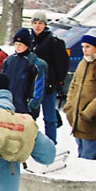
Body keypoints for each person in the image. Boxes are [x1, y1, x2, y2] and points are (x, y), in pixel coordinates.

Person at [62, 32, 96, 161]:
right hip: (77, 119)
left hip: (92, 122)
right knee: (80, 157)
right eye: (83, 47)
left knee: (89, 160)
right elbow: (73, 85)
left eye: (88, 47)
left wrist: (88, 113)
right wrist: (69, 106)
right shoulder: (83, 63)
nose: (84, 50)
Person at [30, 11, 70, 142]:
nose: (37, 26)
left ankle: (51, 142)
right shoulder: (30, 40)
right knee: (31, 116)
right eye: (35, 23)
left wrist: (58, 81)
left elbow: (62, 63)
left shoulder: (53, 41)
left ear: (45, 25)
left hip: (48, 85)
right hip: (33, 86)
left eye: (40, 23)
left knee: (50, 118)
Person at [0, 28, 46, 117]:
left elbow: (38, 88)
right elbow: (2, 81)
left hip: (25, 109)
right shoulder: (9, 61)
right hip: (8, 105)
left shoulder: (36, 64)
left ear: (27, 45)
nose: (17, 47)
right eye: (16, 44)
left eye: (20, 44)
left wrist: (31, 106)